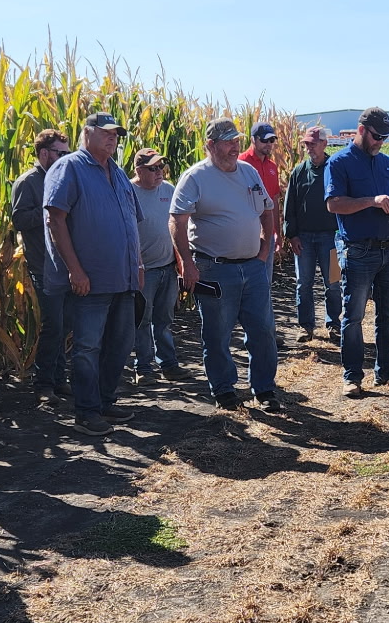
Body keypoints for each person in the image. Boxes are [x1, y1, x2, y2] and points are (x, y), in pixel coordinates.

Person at [43, 112, 143, 435]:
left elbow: (131, 223)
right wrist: (75, 270)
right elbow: (54, 220)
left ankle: (105, 401)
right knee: (87, 347)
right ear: (87, 133)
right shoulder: (69, 167)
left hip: (123, 279)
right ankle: (86, 412)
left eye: (116, 134)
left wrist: (137, 263)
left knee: (120, 343)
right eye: (106, 132)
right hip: (90, 280)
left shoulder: (118, 173)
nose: (113, 138)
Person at [172, 119, 282, 411]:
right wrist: (186, 263)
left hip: (253, 268)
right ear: (210, 145)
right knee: (218, 334)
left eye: (236, 140)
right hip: (214, 269)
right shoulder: (195, 177)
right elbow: (177, 221)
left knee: (262, 330)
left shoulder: (248, 173)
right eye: (227, 141)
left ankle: (264, 390)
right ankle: (224, 390)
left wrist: (263, 250)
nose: (235, 146)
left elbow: (267, 211)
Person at [325, 105, 389, 398]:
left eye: (385, 137)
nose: (380, 142)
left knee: (388, 315)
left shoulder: (387, 163)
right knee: (353, 316)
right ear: (361, 130)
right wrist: (372, 201)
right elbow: (334, 204)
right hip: (358, 251)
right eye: (377, 136)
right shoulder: (339, 163)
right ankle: (352, 376)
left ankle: (387, 370)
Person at [10, 128, 69, 398]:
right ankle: (44, 383)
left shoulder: (63, 178)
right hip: (43, 265)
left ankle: (58, 378)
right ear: (44, 153)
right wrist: (49, 211)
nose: (65, 158)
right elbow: (20, 220)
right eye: (60, 153)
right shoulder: (29, 182)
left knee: (64, 325)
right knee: (54, 325)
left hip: (66, 264)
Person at [282, 124, 341, 341]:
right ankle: (305, 326)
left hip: (332, 237)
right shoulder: (299, 172)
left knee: (333, 283)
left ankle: (334, 324)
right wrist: (292, 235)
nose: (309, 148)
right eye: (307, 144)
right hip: (304, 238)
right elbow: (290, 207)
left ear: (324, 144)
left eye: (313, 144)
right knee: (303, 284)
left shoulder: (335, 168)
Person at [130, 148, 184, 380]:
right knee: (142, 320)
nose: (159, 171)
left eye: (161, 166)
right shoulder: (128, 191)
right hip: (143, 270)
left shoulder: (169, 190)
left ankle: (169, 365)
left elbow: (177, 226)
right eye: (153, 168)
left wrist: (181, 261)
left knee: (164, 319)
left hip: (167, 267)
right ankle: (143, 368)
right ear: (139, 170)